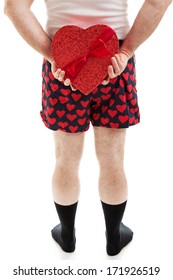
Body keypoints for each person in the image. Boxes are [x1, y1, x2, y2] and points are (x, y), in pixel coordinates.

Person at [4, 0, 172, 256]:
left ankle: (67, 234)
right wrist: (126, 53)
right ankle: (114, 237)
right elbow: (158, 2)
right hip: (115, 65)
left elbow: (14, 7)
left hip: (63, 70)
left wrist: (55, 56)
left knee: (66, 160)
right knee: (113, 159)